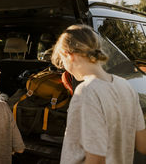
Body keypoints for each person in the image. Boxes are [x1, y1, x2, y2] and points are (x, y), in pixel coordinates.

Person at [51, 24, 146, 164]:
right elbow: (143, 145)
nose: (65, 67)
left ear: (68, 55)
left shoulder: (86, 91)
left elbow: (96, 159)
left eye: (62, 61)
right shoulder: (125, 85)